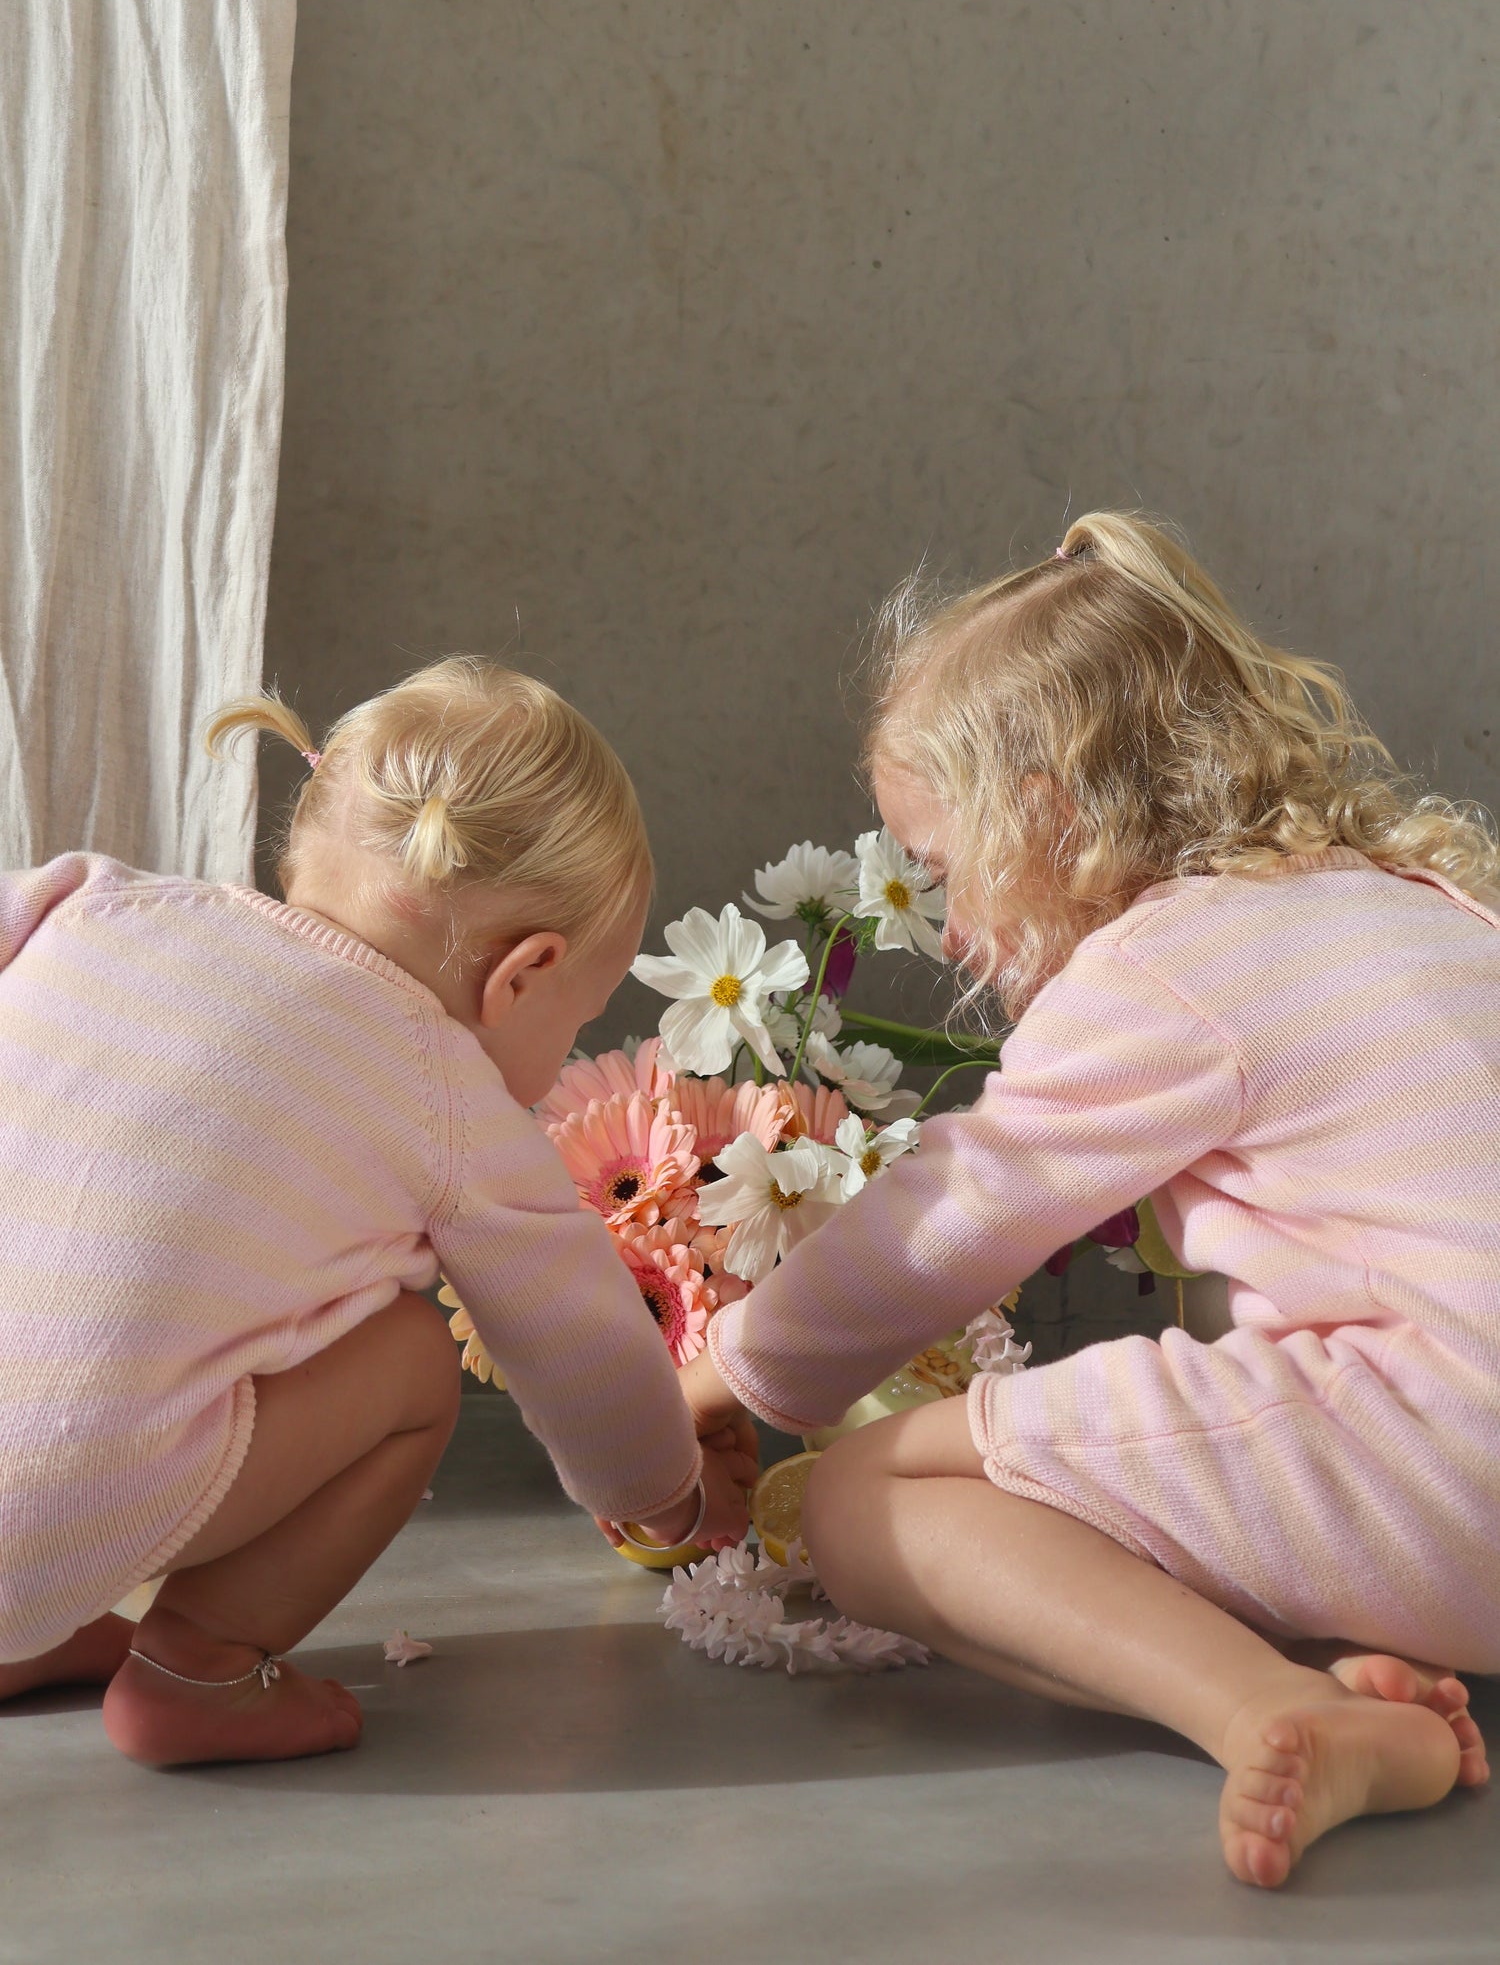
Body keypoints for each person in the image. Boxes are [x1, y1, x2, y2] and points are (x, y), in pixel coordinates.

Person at [680, 512, 1496, 1888]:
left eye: (940, 869)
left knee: (862, 1505)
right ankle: (1343, 1661)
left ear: (1046, 809)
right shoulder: (1426, 904)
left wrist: (734, 1370)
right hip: (1450, 1468)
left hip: (1457, 1457)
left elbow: (956, 1208)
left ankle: (1273, 1709)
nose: (943, 928)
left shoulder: (1172, 963)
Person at [0, 657, 751, 1766]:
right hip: (38, 1520)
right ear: (524, 975)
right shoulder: (441, 1086)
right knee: (407, 1358)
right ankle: (196, 1670)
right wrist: (675, 1504)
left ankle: (26, 1631)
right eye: (584, 1014)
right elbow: (578, 1345)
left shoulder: (87, 898)